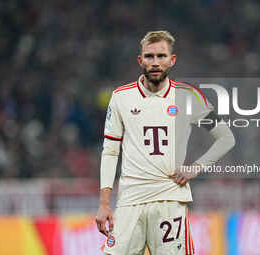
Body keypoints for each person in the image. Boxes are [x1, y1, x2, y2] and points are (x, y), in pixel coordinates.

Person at [96, 30, 235, 255]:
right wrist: (104, 203)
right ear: (140, 60)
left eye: (161, 56)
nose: (155, 62)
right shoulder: (121, 97)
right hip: (131, 200)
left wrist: (195, 168)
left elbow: (226, 138)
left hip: (170, 200)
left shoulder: (189, 96)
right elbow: (110, 151)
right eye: (149, 56)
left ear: (172, 60)